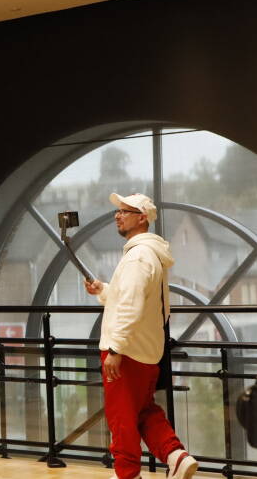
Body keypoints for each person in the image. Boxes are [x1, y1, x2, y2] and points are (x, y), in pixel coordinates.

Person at [84, 193, 197, 479]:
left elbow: (131, 305)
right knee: (143, 410)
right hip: (146, 350)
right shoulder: (149, 254)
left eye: (125, 211)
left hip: (127, 351)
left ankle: (127, 474)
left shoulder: (137, 257)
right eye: (118, 211)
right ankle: (176, 456)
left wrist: (115, 349)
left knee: (121, 417)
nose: (117, 215)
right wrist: (103, 290)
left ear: (142, 217)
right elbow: (136, 300)